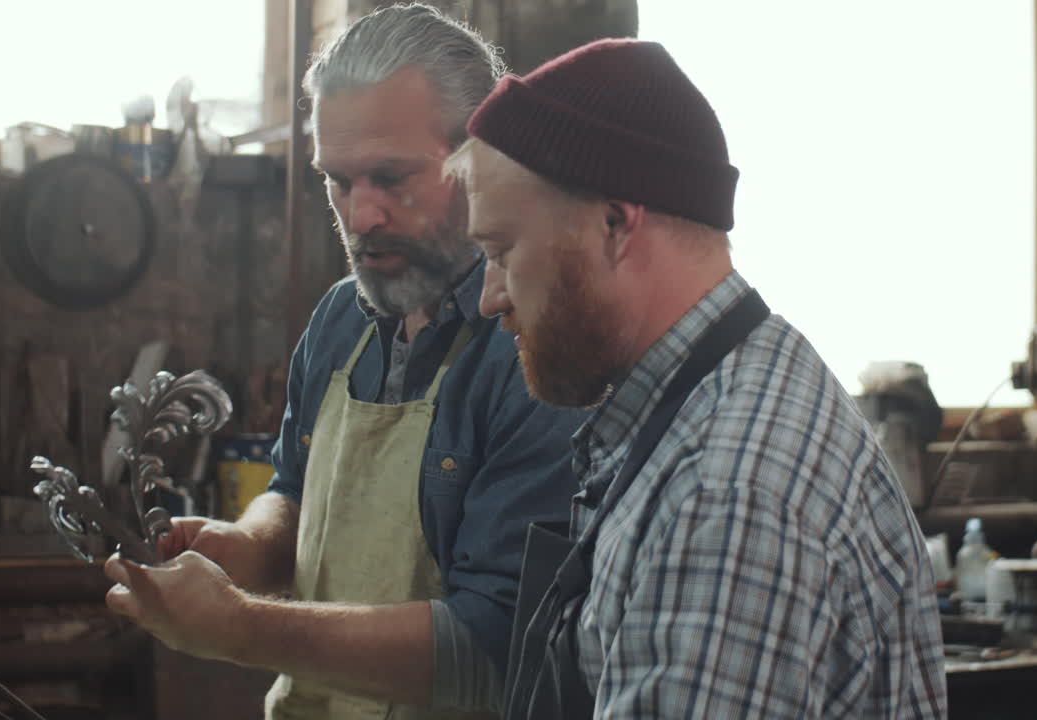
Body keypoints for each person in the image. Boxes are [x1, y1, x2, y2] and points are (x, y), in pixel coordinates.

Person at [102, 5, 585, 719]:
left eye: (392, 178)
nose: (360, 216)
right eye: (338, 180)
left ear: (481, 152)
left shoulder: (534, 348)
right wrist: (248, 545)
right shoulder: (339, 319)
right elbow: (294, 490)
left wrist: (238, 627)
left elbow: (497, 645)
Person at [444, 38, 948, 719]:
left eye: (502, 252)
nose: (490, 297)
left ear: (616, 224)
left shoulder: (727, 492)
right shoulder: (702, 411)